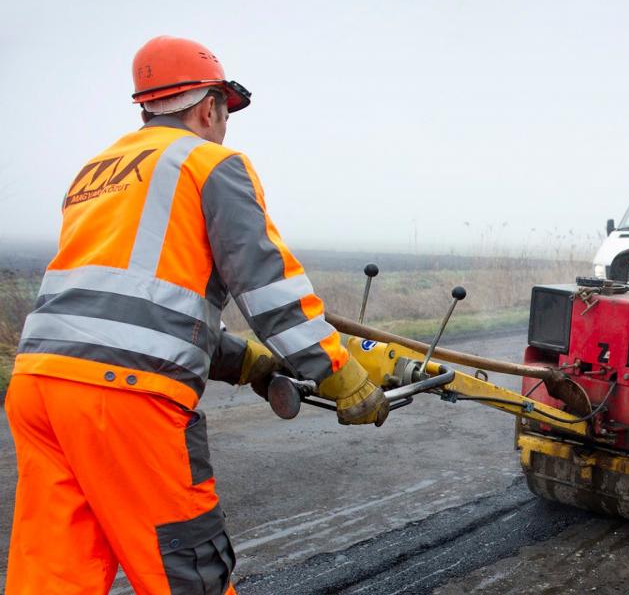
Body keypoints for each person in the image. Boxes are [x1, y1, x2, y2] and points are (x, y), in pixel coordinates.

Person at [4, 36, 389, 594]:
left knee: (54, 572)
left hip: (39, 386)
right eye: (226, 111)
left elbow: (134, 310)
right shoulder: (211, 163)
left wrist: (247, 364)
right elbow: (266, 284)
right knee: (186, 569)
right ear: (209, 106)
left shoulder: (97, 172)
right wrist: (339, 372)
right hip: (125, 400)